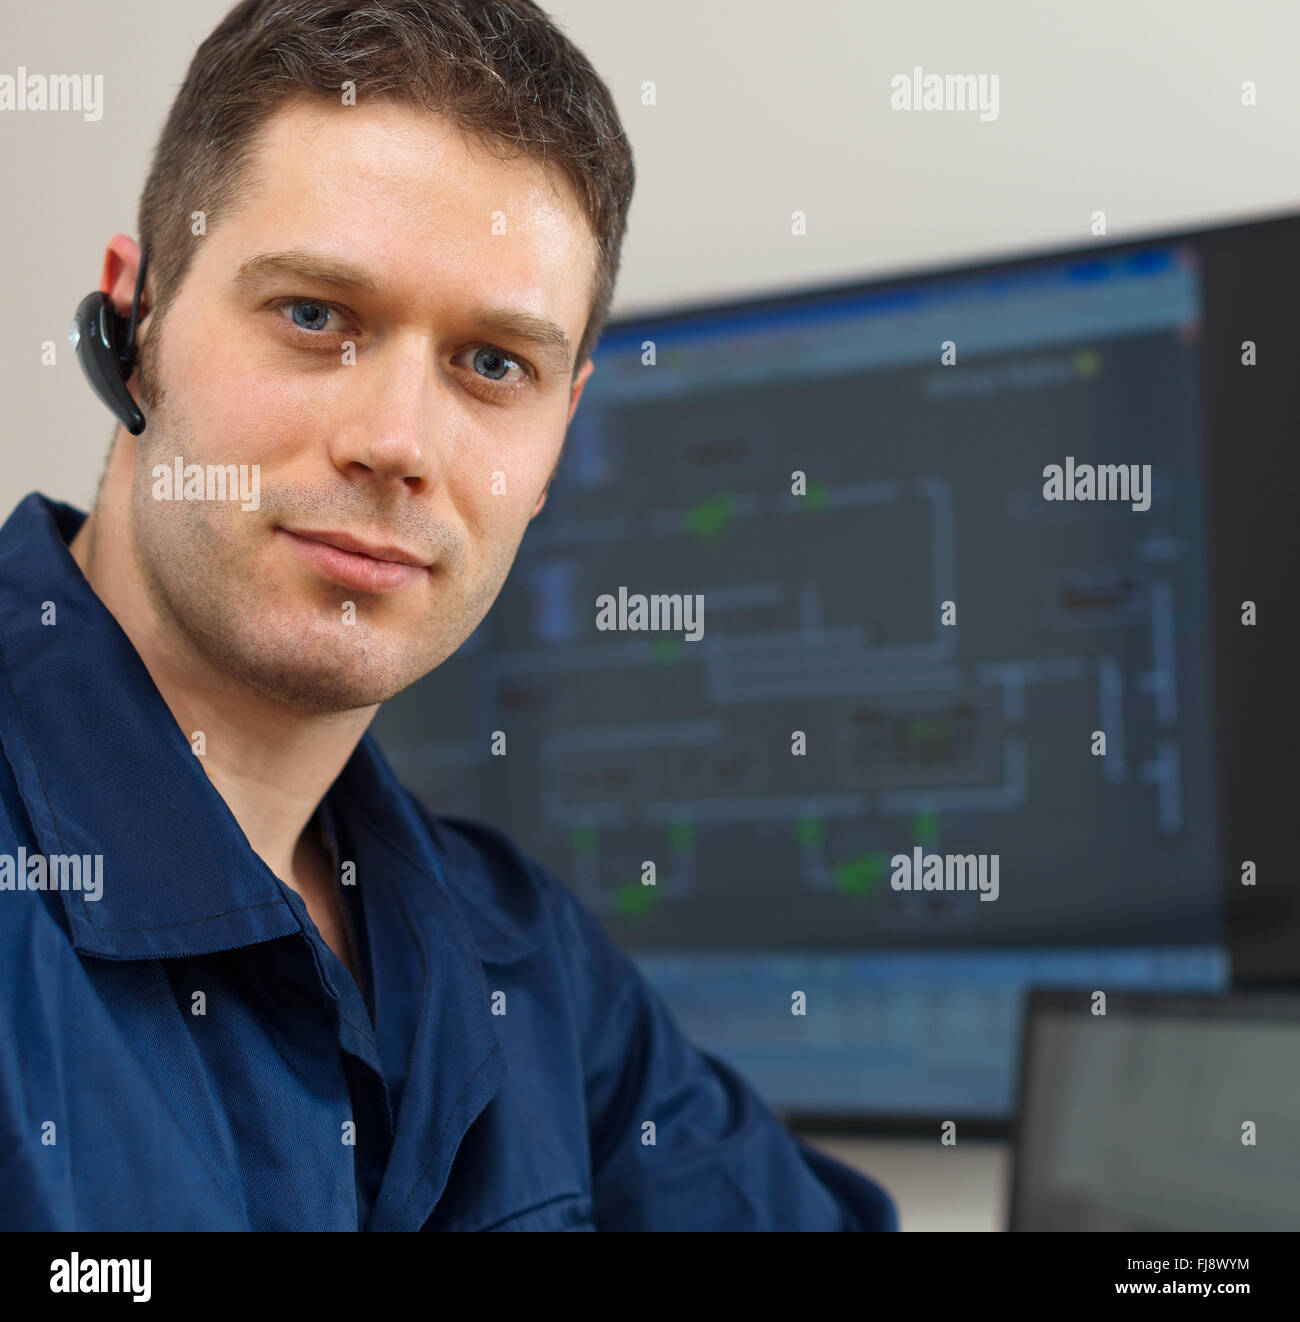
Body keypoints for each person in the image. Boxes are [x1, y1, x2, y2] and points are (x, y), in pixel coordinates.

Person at [0, 0, 896, 1231]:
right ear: (134, 319)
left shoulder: (523, 962)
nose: (396, 444)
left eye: (492, 365)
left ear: (559, 429)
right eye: (315, 314)